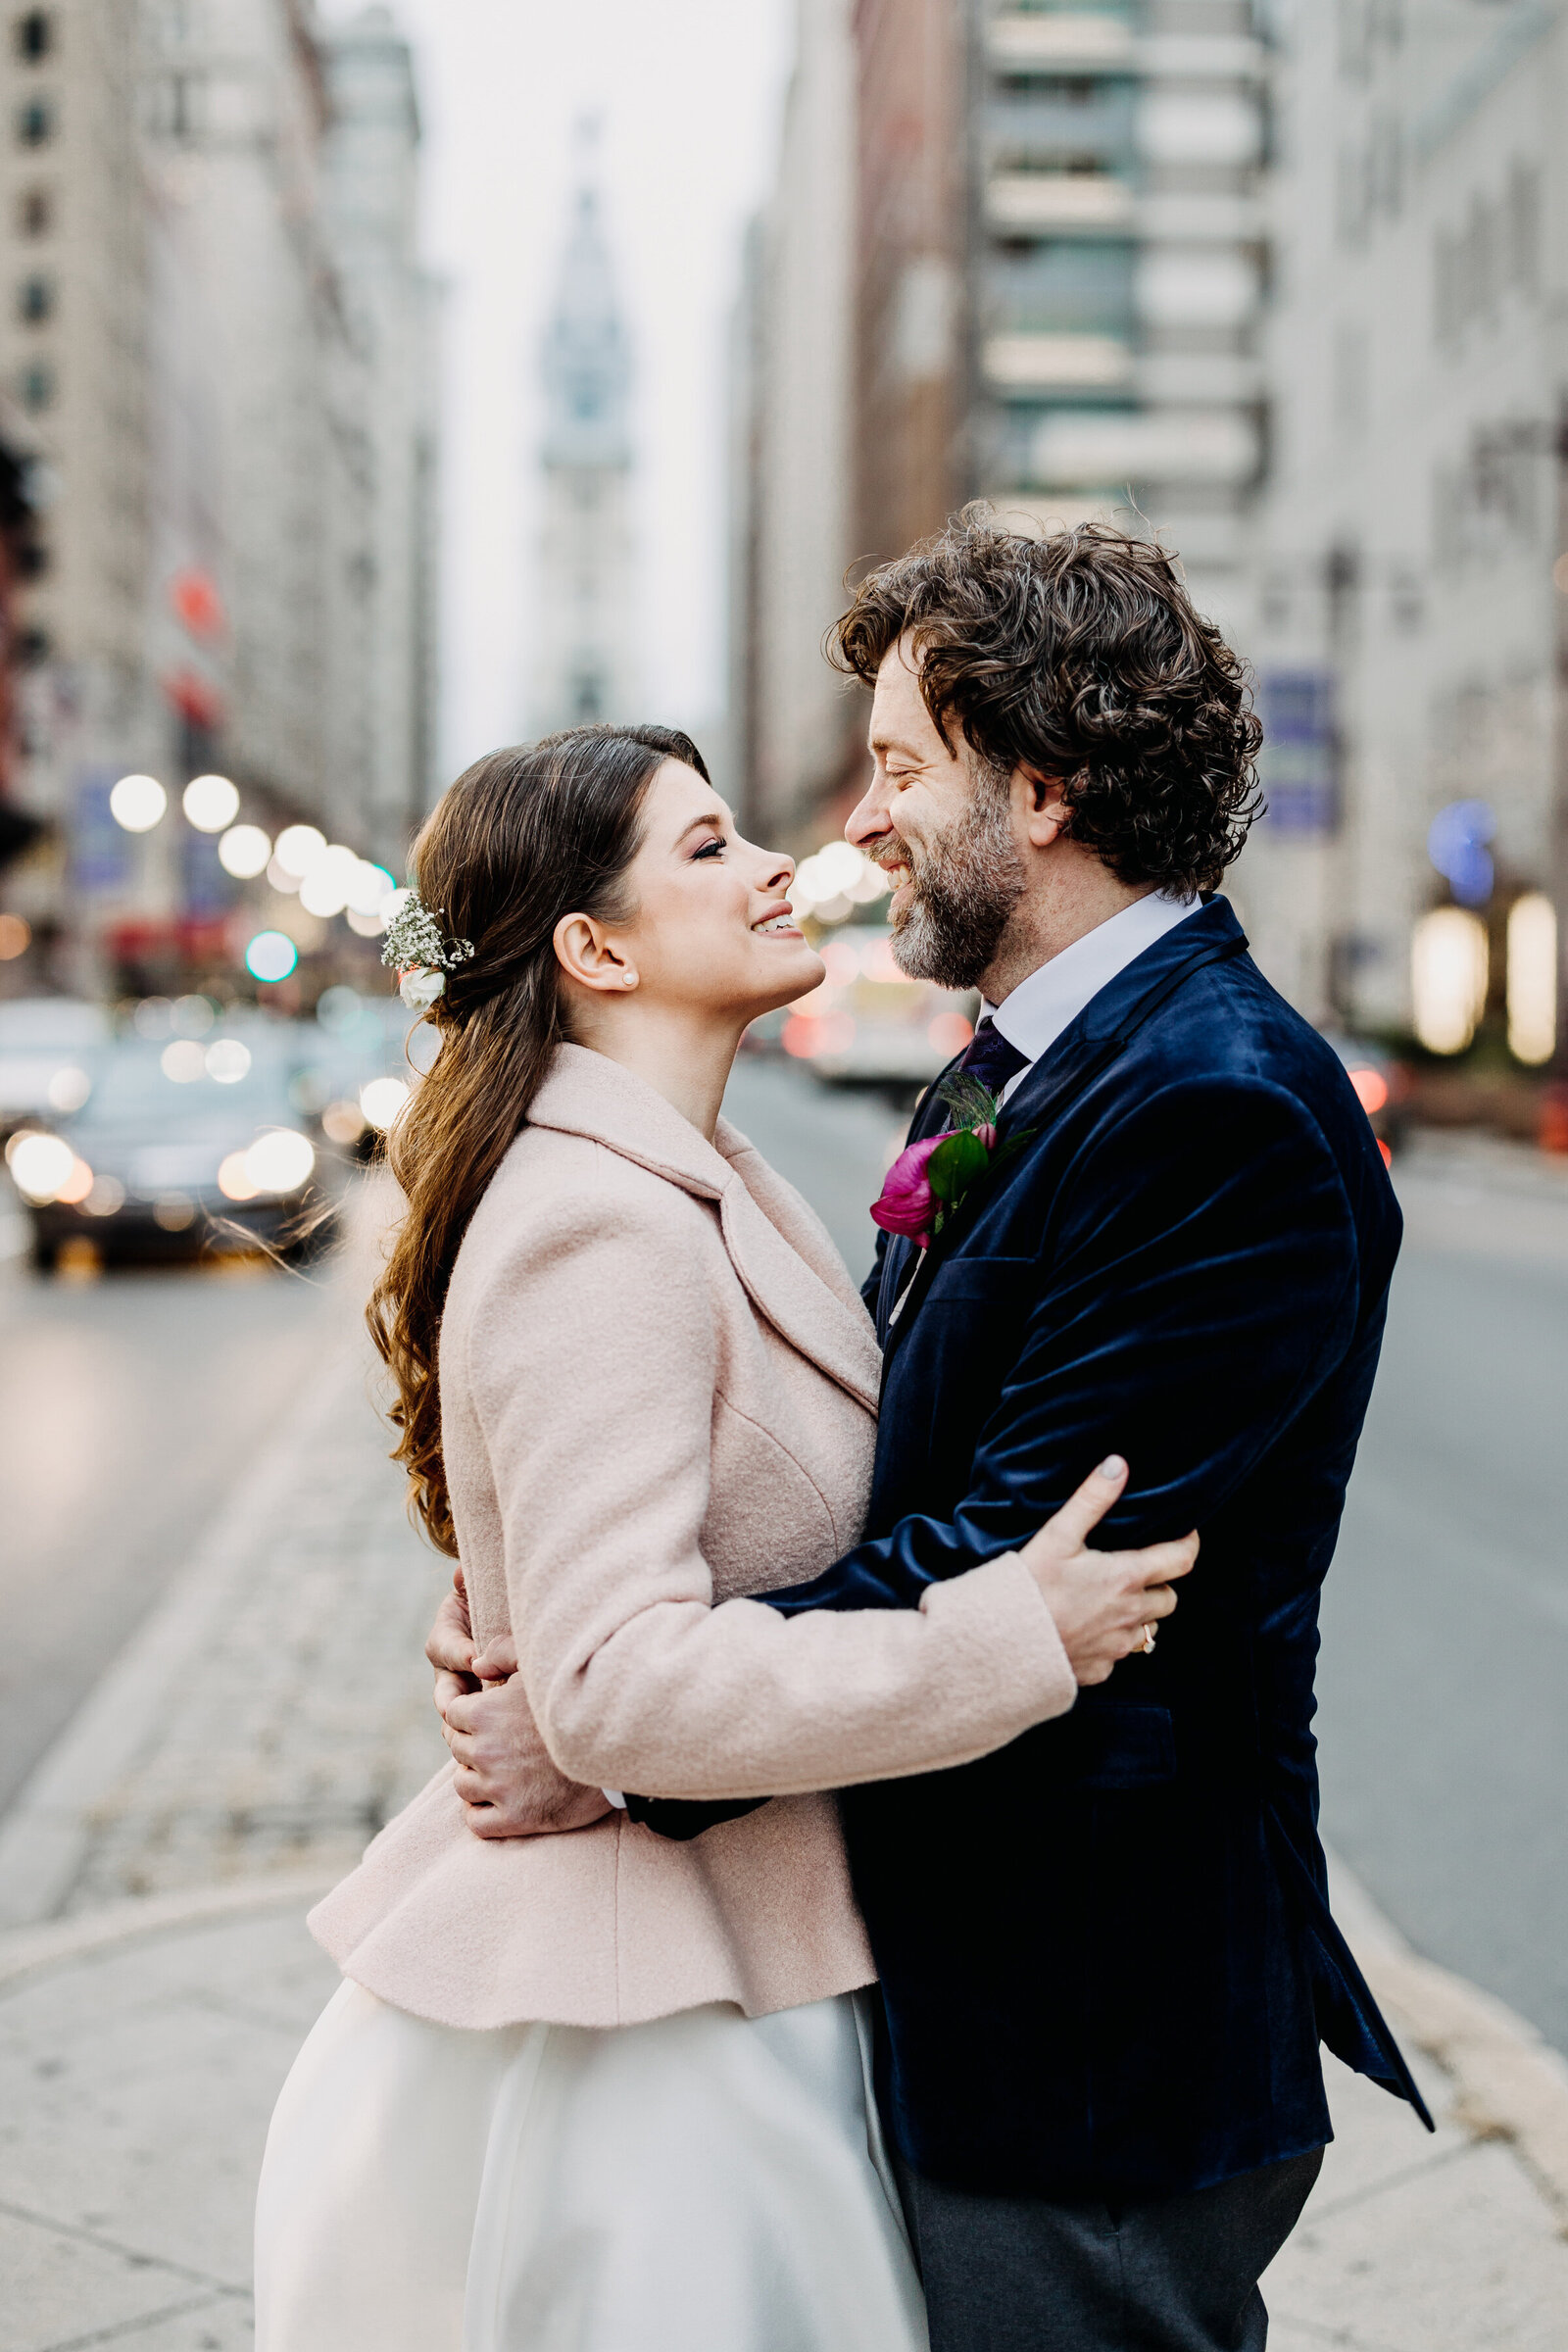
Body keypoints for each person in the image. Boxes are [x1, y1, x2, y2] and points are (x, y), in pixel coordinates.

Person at [432, 518, 1436, 2352]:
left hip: (1089, 2030)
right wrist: (601, 1654)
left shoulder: (1212, 1107)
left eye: (900, 768)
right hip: (965, 1989)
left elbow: (1007, 1560)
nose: (862, 822)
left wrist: (620, 1726)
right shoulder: (1043, 1064)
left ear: (1040, 788)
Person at [252, 719, 1196, 2352]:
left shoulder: (698, 1178)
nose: (777, 866)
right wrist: (1009, 1638)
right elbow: (620, 1685)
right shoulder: (598, 1222)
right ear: (594, 947)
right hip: (648, 2036)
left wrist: (543, 1660)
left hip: (728, 1961)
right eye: (708, 848)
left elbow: (585, 1628)